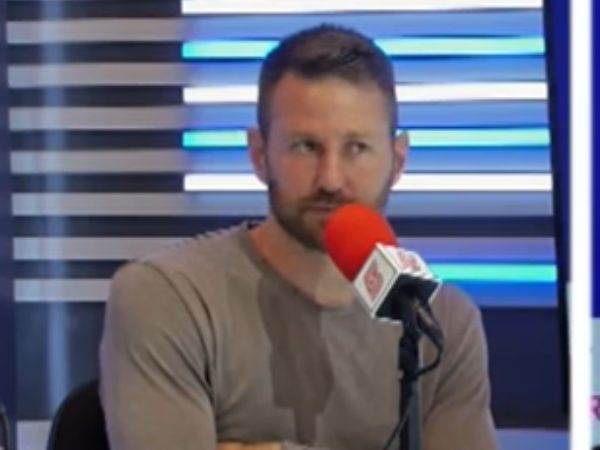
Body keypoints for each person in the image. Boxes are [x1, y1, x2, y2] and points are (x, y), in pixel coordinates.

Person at [100, 24, 498, 450]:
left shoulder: (439, 322)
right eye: (305, 147)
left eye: (357, 148)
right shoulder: (168, 297)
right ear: (259, 155)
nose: (331, 180)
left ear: (397, 161)